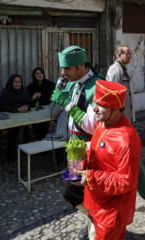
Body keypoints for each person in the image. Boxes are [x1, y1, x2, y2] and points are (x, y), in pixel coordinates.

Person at [69, 80, 140, 239]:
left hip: (111, 212)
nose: (94, 109)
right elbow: (97, 157)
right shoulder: (102, 125)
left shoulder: (126, 139)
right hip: (96, 203)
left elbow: (125, 181)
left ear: (115, 108)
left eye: (100, 105)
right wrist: (81, 163)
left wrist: (90, 177)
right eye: (95, 103)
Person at [51, 45, 105, 240]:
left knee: (78, 192)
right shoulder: (74, 83)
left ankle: (98, 223)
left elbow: (92, 125)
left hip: (91, 150)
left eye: (68, 69)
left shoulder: (97, 86)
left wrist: (67, 103)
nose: (63, 73)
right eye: (63, 69)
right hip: (76, 150)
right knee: (76, 192)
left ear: (81, 65)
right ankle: (93, 221)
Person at [0, 74, 30, 162]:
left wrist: (26, 107)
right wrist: (16, 109)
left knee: (26, 129)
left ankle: (26, 151)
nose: (18, 84)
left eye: (19, 82)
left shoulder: (23, 90)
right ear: (11, 82)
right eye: (15, 82)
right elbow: (3, 106)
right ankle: (11, 154)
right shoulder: (6, 91)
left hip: (21, 116)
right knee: (13, 130)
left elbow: (28, 102)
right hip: (9, 117)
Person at [106, 45, 135, 122]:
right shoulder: (117, 70)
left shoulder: (122, 68)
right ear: (119, 55)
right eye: (127, 54)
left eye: (130, 54)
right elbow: (113, 95)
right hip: (119, 117)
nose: (130, 56)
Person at [27, 67, 55, 140]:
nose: (40, 75)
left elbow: (58, 90)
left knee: (45, 131)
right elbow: (26, 101)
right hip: (35, 112)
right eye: (37, 74)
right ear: (34, 76)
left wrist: (53, 97)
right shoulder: (31, 87)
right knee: (38, 133)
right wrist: (33, 98)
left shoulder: (48, 83)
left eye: (41, 73)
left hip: (46, 111)